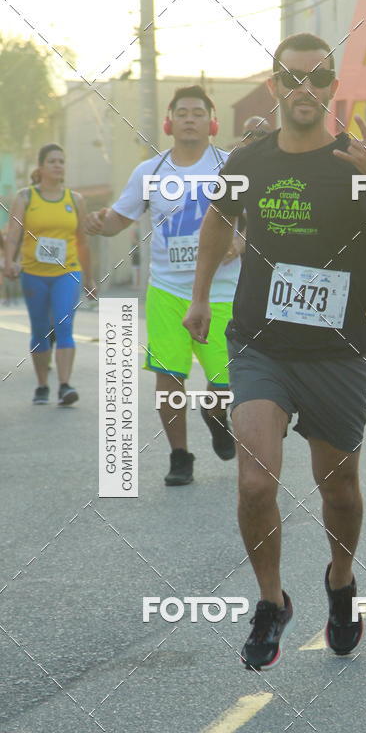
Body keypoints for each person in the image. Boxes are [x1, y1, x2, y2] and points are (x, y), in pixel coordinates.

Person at [183, 32, 366, 670]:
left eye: (317, 79)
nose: (304, 90)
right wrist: (200, 298)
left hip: (337, 354)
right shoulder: (250, 159)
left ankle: (340, 584)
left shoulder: (356, 162)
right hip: (261, 345)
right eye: (293, 79)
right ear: (276, 86)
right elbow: (216, 224)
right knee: (256, 482)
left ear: (332, 87)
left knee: (338, 489)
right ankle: (270, 602)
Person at [85, 85, 243, 486]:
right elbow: (120, 218)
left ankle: (214, 413)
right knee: (168, 375)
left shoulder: (230, 166)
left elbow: (255, 219)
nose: (190, 117)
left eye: (198, 111)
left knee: (228, 379)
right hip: (168, 292)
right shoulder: (149, 172)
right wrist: (101, 223)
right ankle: (180, 456)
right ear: (170, 121)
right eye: (182, 112)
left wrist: (240, 241)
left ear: (212, 120)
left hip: (223, 291)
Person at [3, 144, 96, 405]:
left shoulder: (75, 200)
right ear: (41, 167)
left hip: (67, 272)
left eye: (62, 161)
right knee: (41, 330)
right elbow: (13, 234)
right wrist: (9, 261)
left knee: (64, 326)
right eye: (53, 161)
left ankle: (65, 385)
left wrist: (89, 278)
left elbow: (83, 242)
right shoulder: (26, 197)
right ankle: (42, 384)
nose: (58, 165)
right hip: (34, 274)